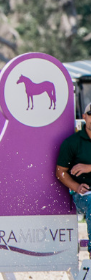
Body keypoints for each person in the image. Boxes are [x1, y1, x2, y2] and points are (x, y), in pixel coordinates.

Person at [55, 102, 91, 257]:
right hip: (84, 195)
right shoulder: (72, 143)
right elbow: (60, 172)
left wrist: (89, 167)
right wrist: (76, 187)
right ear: (84, 117)